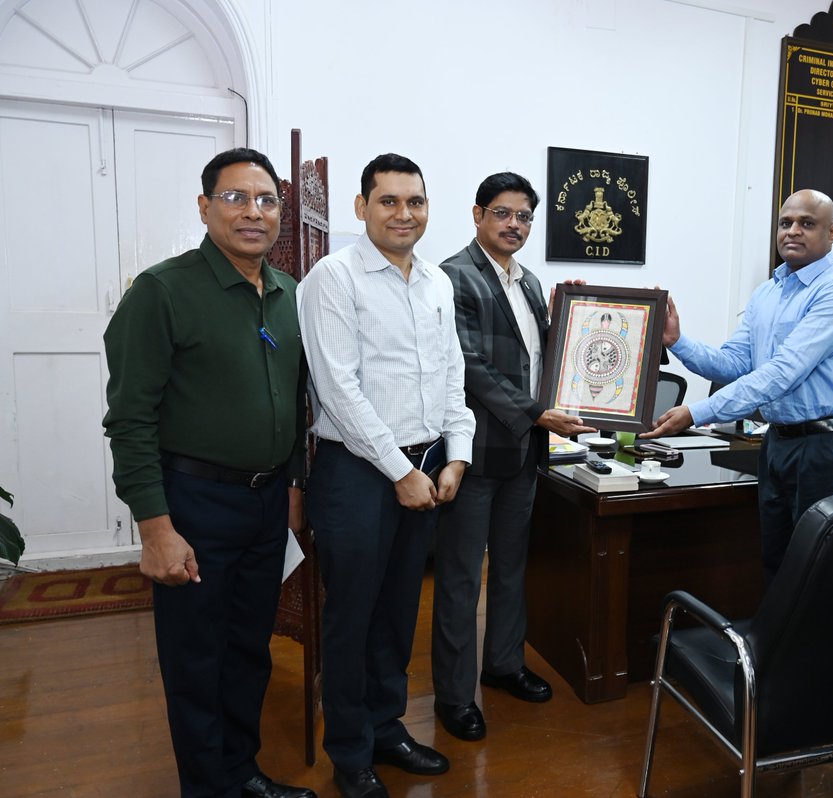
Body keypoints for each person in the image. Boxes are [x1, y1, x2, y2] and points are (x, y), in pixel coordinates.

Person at [103, 148, 314, 798]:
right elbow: (129, 420)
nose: (253, 212)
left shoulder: (290, 295)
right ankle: (206, 787)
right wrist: (155, 529)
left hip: (265, 503)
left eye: (267, 200)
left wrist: (294, 488)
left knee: (249, 649)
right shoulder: (163, 291)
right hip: (192, 503)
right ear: (204, 207)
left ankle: (241, 773)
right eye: (235, 197)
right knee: (196, 659)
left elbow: (299, 402)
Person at [298, 154, 475, 798]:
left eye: (415, 201)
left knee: (399, 611)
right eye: (389, 201)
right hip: (356, 471)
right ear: (361, 206)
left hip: (425, 466)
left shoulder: (436, 282)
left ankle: (385, 727)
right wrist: (400, 470)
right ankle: (350, 751)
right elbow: (337, 389)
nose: (404, 214)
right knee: (353, 616)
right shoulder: (333, 277)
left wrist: (457, 453)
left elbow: (452, 375)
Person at [433, 172, 594, 741]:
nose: (514, 225)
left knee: (511, 568)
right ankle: (455, 696)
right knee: (460, 580)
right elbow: (469, 366)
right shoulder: (454, 276)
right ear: (478, 214)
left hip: (524, 453)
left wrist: (573, 315)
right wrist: (537, 414)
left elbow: (544, 358)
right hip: (473, 454)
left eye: (524, 216)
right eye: (503, 213)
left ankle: (503, 664)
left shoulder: (528, 283)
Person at [643, 189, 833, 583]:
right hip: (779, 443)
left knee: (820, 572)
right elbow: (734, 363)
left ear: (832, 232)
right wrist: (677, 342)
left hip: (829, 448)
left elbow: (783, 372)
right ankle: (775, 628)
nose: (792, 231)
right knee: (776, 564)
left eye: (807, 223)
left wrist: (696, 413)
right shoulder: (768, 293)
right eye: (786, 223)